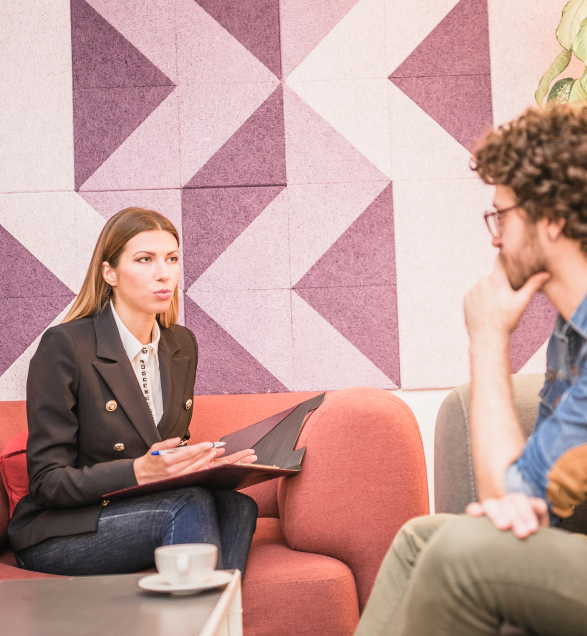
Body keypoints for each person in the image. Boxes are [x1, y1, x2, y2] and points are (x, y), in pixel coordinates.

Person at [354, 104, 587, 636]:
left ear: (552, 219)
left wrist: (486, 339)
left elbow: (506, 501)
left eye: (502, 215)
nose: (495, 237)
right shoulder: (571, 334)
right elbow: (523, 502)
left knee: (461, 553)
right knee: (422, 538)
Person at [8, 208, 259, 577]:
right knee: (188, 504)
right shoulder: (65, 345)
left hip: (143, 506)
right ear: (109, 272)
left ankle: (209, 620)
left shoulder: (181, 343)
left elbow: (164, 447)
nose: (164, 273)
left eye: (172, 259)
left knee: (237, 505)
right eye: (145, 259)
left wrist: (201, 465)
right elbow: (48, 483)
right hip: (63, 528)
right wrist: (140, 470)